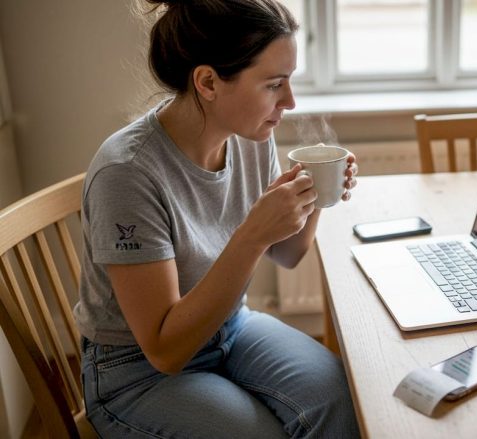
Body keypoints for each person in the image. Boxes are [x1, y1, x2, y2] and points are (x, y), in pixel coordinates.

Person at [72, 0, 361, 437]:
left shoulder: (251, 136)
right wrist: (250, 237)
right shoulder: (127, 174)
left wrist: (317, 192)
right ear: (208, 82)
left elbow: (288, 254)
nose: (289, 101)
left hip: (231, 326)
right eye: (274, 84)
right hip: (136, 370)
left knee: (341, 402)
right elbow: (166, 351)